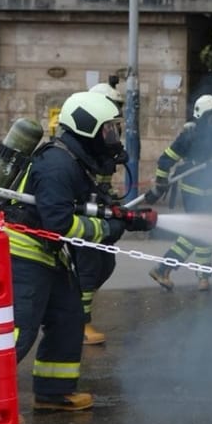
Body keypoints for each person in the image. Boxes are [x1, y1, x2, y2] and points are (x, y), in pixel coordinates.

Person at [0, 89, 152, 424]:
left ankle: (53, 392)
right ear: (87, 128)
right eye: (107, 130)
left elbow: (79, 208)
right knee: (19, 328)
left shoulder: (75, 159)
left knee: (68, 317)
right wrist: (107, 228)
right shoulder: (58, 164)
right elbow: (60, 224)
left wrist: (122, 218)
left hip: (47, 252)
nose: (113, 136)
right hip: (22, 250)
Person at [146, 93, 212, 292]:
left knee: (203, 233)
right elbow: (165, 160)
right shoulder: (189, 137)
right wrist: (160, 182)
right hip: (194, 192)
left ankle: (199, 277)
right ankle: (166, 268)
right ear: (201, 117)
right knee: (200, 232)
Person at [73, 80, 127, 344]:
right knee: (88, 267)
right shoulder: (83, 144)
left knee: (105, 263)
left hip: (98, 206)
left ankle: (74, 312)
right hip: (83, 214)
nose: (112, 129)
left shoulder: (100, 142)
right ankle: (79, 324)